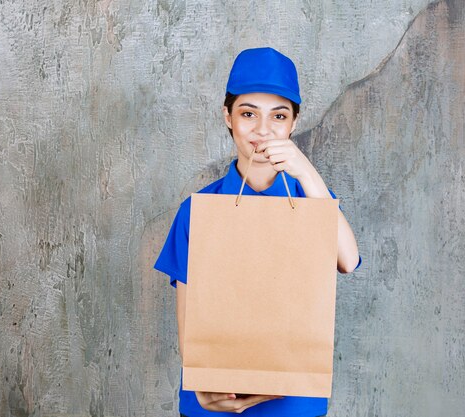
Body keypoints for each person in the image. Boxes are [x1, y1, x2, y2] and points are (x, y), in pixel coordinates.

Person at [154, 47, 360, 417]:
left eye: (278, 116)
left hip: (294, 400)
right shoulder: (200, 208)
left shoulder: (312, 200)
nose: (263, 130)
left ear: (294, 123)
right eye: (248, 113)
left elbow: (348, 259)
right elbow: (189, 318)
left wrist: (306, 171)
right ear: (228, 117)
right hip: (213, 400)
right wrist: (202, 388)